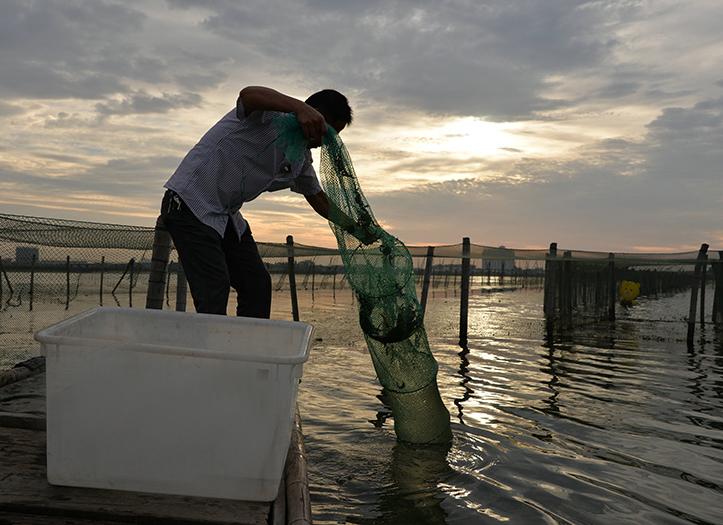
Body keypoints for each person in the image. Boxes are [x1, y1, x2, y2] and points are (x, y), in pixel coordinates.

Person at [161, 86, 353, 318]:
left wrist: (360, 230)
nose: (327, 141)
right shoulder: (267, 115)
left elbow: (320, 200)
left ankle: (248, 350)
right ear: (315, 114)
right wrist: (299, 107)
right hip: (189, 203)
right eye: (327, 131)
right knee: (214, 289)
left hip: (225, 216)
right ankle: (210, 352)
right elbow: (248, 94)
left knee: (257, 283)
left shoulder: (299, 157)